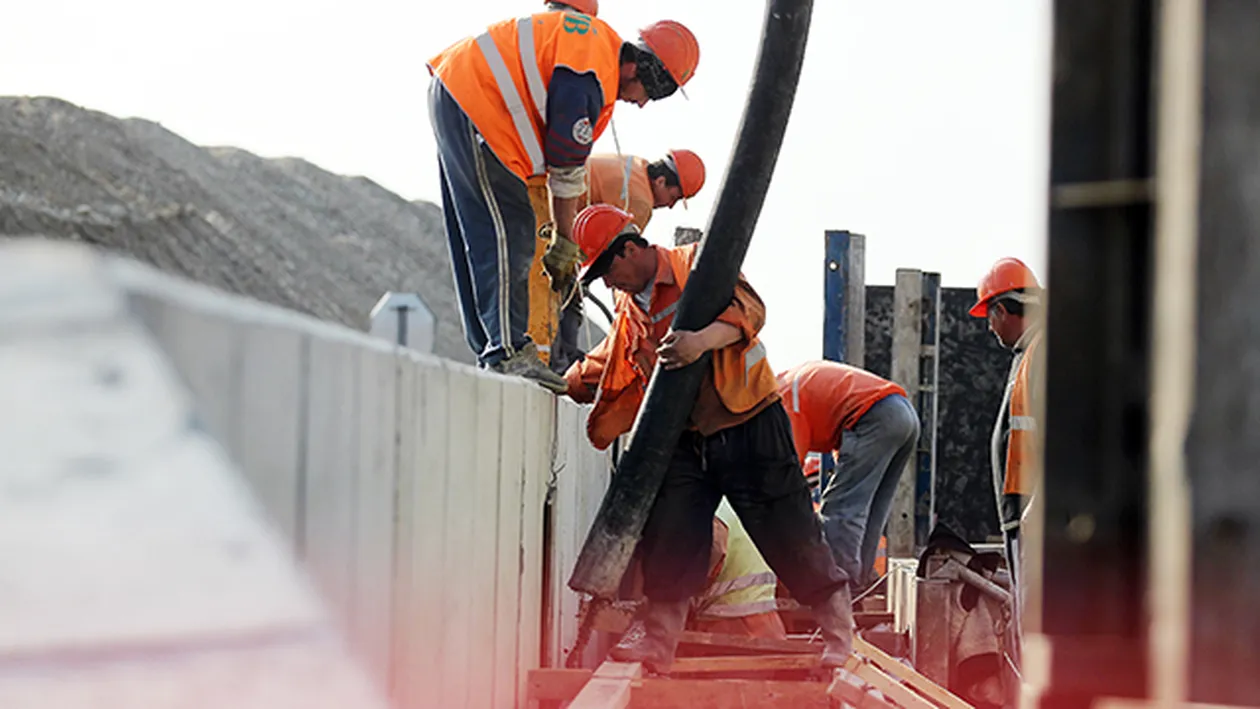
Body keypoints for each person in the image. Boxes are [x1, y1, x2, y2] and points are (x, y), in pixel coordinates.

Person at [560, 204, 853, 675]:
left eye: (607, 270)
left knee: (789, 526)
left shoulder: (697, 263)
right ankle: (659, 644)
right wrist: (565, 382)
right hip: (684, 434)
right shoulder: (631, 308)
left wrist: (701, 341)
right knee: (672, 535)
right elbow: (611, 358)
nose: (609, 283)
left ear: (629, 250)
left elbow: (751, 310)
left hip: (747, 420)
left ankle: (841, 636)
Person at [426, 7, 699, 391]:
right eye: (649, 94)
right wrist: (566, 240)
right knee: (512, 235)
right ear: (642, 69)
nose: (640, 104)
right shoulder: (592, 73)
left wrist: (564, 237)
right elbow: (566, 162)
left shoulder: (592, 52)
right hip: (480, 107)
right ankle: (506, 353)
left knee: (481, 234)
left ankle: (493, 350)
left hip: (463, 93)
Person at [542, 149, 707, 373]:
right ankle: (561, 367)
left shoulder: (634, 166)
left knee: (568, 290)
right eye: (674, 197)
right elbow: (626, 267)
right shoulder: (638, 201)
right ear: (660, 181)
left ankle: (561, 361)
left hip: (551, 205)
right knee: (567, 294)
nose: (670, 206)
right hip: (551, 220)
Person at [777, 360, 919, 592]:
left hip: (876, 416)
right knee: (872, 511)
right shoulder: (797, 383)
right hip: (904, 415)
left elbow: (789, 473)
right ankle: (859, 582)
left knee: (839, 510)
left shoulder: (782, 400)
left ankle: (838, 590)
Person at [968, 256, 1045, 674]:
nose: (990, 328)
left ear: (1002, 310)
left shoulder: (1043, 350)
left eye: (990, 316)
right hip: (1022, 514)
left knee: (1034, 625)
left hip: (1033, 512)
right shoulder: (1029, 352)